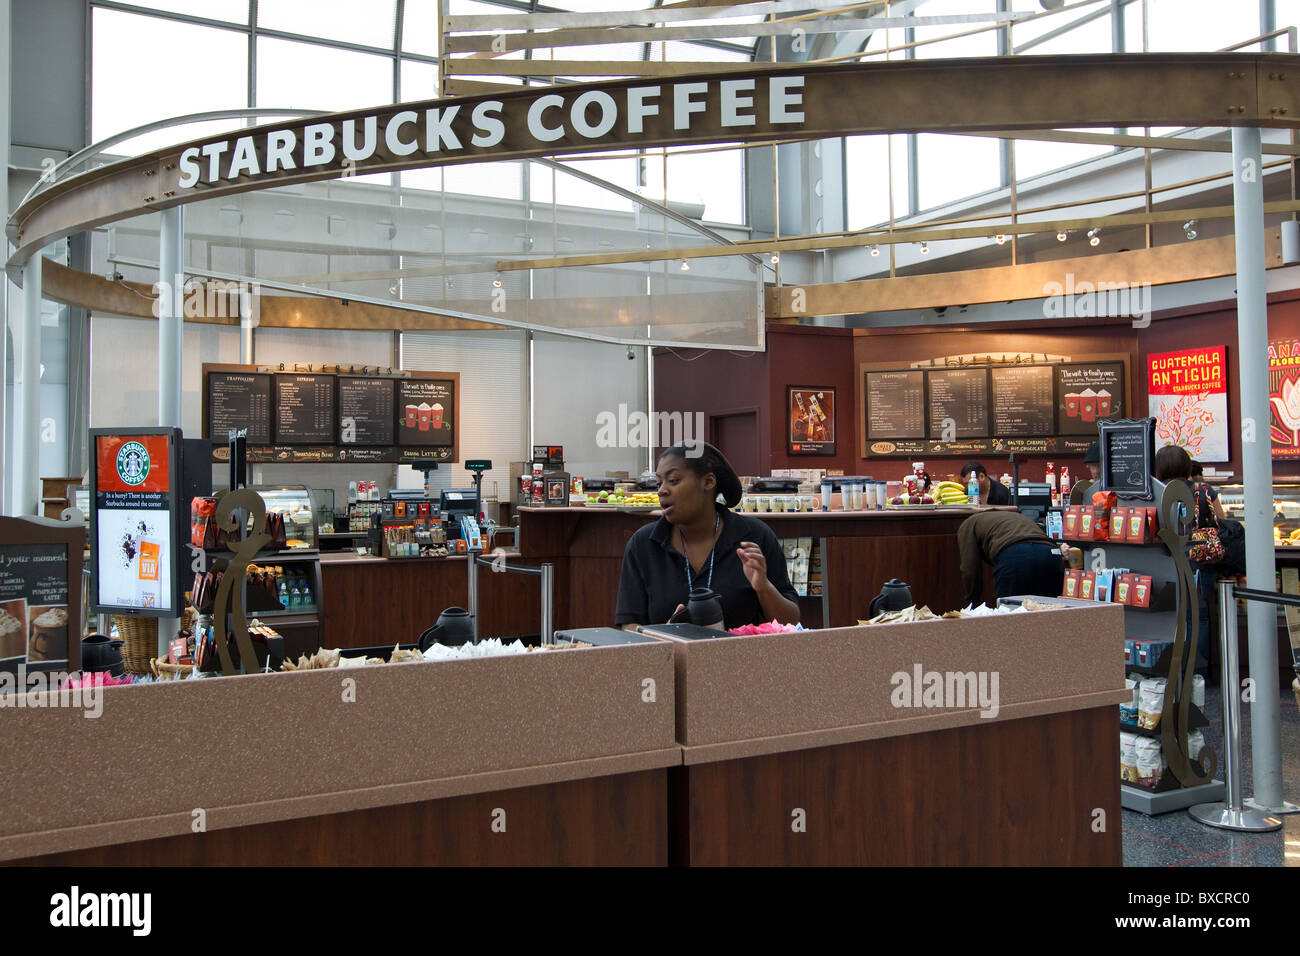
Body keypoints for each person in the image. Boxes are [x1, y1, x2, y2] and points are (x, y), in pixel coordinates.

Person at [615, 441, 801, 630]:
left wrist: (763, 586)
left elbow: (790, 623)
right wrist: (662, 635)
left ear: (708, 482)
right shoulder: (643, 545)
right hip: (670, 659)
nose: (661, 490)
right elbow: (629, 625)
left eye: (673, 480)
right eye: (658, 482)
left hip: (741, 658)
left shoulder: (755, 536)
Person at [1153, 444, 1213, 677]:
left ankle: (1174, 669)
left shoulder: (1159, 491)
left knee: (1173, 615)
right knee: (1199, 617)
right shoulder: (1202, 490)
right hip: (1199, 559)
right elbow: (1219, 519)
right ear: (1186, 465)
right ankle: (1200, 672)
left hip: (1167, 560)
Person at [957, 510, 1065, 607]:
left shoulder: (968, 524)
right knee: (1050, 612)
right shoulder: (1014, 516)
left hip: (1014, 555)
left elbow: (969, 568)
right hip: (1050, 554)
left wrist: (973, 602)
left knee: (1010, 615)